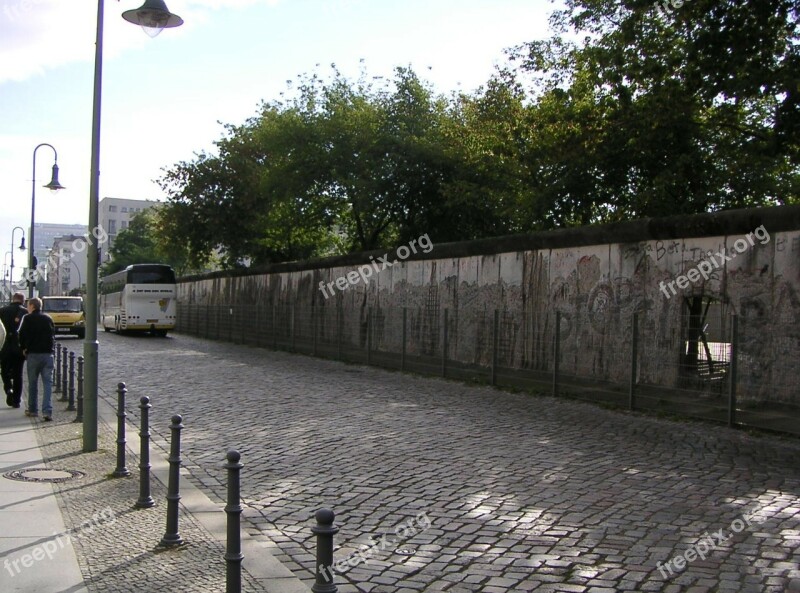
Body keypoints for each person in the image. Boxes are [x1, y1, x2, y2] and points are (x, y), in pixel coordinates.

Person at [18, 297, 55, 420]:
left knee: (32, 383)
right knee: (48, 384)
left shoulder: (27, 318)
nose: (27, 307)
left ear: (32, 306)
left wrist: (23, 348)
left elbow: (21, 334)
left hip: (33, 354)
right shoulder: (48, 318)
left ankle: (33, 410)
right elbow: (52, 335)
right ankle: (47, 411)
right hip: (47, 354)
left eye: (28, 305)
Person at [0, 293, 27, 408]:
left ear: (13, 299)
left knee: (4, 371)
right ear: (23, 301)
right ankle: (16, 400)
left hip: (4, 346)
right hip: (19, 347)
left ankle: (8, 389)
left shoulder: (2, 311)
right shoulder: (25, 312)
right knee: (18, 374)